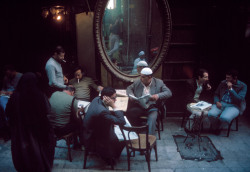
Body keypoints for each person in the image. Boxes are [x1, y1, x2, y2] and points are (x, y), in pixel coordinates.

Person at [5, 72, 55, 172]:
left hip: (19, 133)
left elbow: (8, 112)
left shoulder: (15, 96)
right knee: (37, 153)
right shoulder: (39, 95)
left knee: (23, 154)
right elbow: (47, 111)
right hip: (36, 131)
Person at [82, 87, 126, 164]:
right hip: (93, 138)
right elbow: (122, 121)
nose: (115, 100)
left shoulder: (97, 99)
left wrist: (111, 122)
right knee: (124, 140)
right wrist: (114, 106)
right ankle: (110, 157)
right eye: (114, 98)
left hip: (92, 130)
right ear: (105, 98)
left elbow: (102, 119)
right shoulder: (102, 111)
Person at [126, 67, 172, 135]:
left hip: (152, 107)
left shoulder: (159, 82)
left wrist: (157, 96)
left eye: (143, 77)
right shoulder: (138, 82)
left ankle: (150, 139)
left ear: (149, 77)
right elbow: (129, 88)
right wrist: (131, 95)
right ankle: (134, 133)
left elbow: (169, 93)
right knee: (129, 113)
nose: (141, 78)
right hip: (140, 106)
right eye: (141, 76)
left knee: (152, 120)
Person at [208, 69, 247, 135]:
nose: (226, 79)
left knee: (224, 118)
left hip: (234, 105)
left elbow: (239, 100)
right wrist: (217, 101)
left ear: (235, 78)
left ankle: (219, 128)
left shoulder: (243, 86)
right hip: (221, 103)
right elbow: (216, 94)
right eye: (226, 77)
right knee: (210, 114)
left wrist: (231, 89)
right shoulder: (223, 83)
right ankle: (216, 127)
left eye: (228, 78)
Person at [0, 65, 22, 140]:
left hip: (16, 95)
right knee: (2, 102)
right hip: (6, 95)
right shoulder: (6, 77)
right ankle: (6, 122)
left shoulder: (20, 77)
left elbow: (23, 90)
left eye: (9, 74)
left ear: (13, 71)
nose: (8, 76)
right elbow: (4, 88)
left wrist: (13, 92)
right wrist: (2, 92)